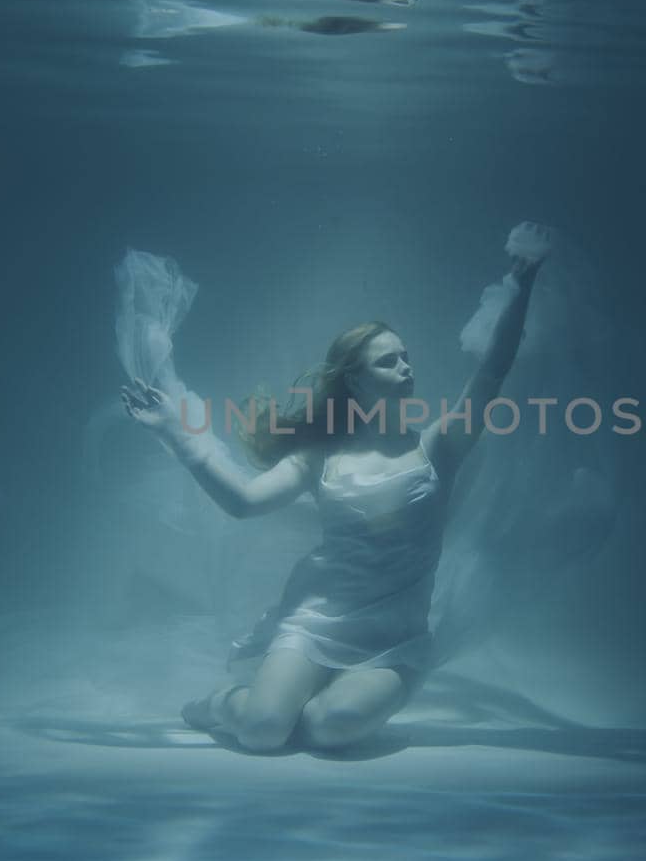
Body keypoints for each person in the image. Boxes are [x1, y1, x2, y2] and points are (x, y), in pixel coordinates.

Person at [120, 223, 550, 752]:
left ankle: (318, 695)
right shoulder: (319, 455)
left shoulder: (439, 446)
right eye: (389, 360)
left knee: (330, 727)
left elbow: (491, 373)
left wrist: (522, 283)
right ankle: (220, 703)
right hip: (315, 622)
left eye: (406, 355)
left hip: (395, 640)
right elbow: (243, 502)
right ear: (356, 380)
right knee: (263, 731)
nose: (406, 366)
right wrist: (177, 434)